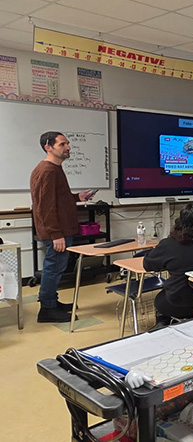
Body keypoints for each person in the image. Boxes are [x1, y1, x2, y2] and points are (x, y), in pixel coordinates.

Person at [31, 131, 95, 323]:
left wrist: (77, 197)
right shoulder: (48, 171)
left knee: (57, 267)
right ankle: (47, 310)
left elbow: (58, 199)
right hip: (56, 232)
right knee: (53, 267)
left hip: (60, 230)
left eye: (68, 144)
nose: (68, 147)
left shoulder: (55, 169)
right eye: (62, 144)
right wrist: (56, 234)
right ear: (48, 147)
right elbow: (45, 206)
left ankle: (52, 301)